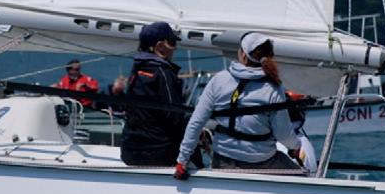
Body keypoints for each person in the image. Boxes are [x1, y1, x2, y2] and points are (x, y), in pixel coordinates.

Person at [174, 32, 303, 179]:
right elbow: (283, 134)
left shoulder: (219, 80)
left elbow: (196, 122)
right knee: (302, 178)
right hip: (262, 162)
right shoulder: (273, 87)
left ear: (242, 54)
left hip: (223, 162)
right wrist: (295, 147)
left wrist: (182, 160)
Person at [121, 22, 198, 166]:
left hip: (130, 150)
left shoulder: (137, 68)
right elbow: (174, 115)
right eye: (172, 42)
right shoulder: (163, 72)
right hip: (158, 152)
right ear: (160, 46)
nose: (175, 48)